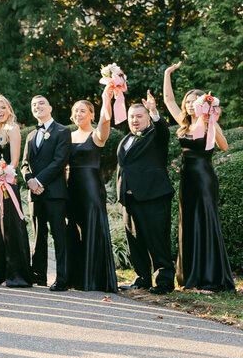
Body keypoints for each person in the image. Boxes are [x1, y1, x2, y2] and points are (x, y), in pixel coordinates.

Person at [160, 62, 235, 292]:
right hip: (186, 181)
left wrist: (212, 121)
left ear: (203, 104)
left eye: (194, 101)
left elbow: (223, 146)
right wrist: (167, 74)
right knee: (188, 223)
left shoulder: (210, 123)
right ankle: (190, 276)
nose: (190, 104)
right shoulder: (183, 123)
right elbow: (168, 101)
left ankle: (210, 278)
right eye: (188, 101)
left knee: (205, 222)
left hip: (204, 179)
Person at [116, 98, 175, 293]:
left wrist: (155, 112)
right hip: (130, 197)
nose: (135, 120)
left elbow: (164, 131)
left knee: (157, 239)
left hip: (154, 196)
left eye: (139, 116)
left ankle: (164, 281)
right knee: (135, 240)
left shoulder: (156, 135)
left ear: (148, 118)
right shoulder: (126, 138)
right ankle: (142, 278)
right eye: (132, 116)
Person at [66, 91, 116, 293]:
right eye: (76, 111)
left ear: (91, 114)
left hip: (91, 189)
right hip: (71, 189)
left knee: (92, 230)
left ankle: (94, 279)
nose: (78, 114)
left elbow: (106, 121)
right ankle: (75, 277)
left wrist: (106, 100)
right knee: (73, 232)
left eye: (83, 111)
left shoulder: (97, 135)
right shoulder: (66, 136)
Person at [0, 95, 31, 288]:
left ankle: (14, 274)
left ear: (9, 109)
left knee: (10, 227)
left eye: (2, 107)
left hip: (7, 183)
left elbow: (15, 161)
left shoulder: (13, 128)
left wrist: (4, 175)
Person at [23, 94, 71, 290]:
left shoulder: (62, 131)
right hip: (35, 194)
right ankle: (39, 276)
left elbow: (59, 161)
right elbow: (25, 163)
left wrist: (39, 180)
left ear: (50, 108)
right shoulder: (30, 135)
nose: (37, 107)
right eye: (34, 105)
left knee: (59, 236)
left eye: (41, 103)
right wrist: (30, 180)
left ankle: (62, 279)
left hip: (55, 193)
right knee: (38, 236)